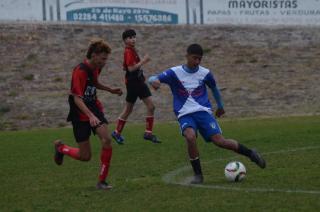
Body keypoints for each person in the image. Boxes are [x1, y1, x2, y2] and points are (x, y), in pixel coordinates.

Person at [148, 43, 266, 184]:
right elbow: (153, 78)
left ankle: (251, 153)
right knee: (190, 137)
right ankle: (198, 175)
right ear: (187, 56)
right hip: (185, 114)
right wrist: (154, 82)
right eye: (194, 58)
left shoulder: (205, 73)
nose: (197, 61)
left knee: (220, 141)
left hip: (203, 112)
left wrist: (220, 106)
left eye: (200, 59)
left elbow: (214, 88)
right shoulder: (174, 72)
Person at [53, 38, 123, 190]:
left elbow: (95, 83)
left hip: (93, 106)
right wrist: (90, 116)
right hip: (79, 112)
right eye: (103, 59)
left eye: (106, 59)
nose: (104, 62)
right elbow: (76, 98)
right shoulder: (80, 71)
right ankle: (61, 149)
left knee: (106, 139)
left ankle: (102, 182)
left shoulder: (96, 67)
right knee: (85, 156)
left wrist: (110, 89)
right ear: (94, 55)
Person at [112, 29, 160, 144]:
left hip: (137, 82)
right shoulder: (128, 51)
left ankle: (145, 133)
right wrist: (144, 61)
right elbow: (131, 68)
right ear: (125, 40)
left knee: (144, 107)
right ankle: (119, 132)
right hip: (134, 83)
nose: (133, 39)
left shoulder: (131, 50)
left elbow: (127, 67)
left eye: (134, 37)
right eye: (130, 37)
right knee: (138, 108)